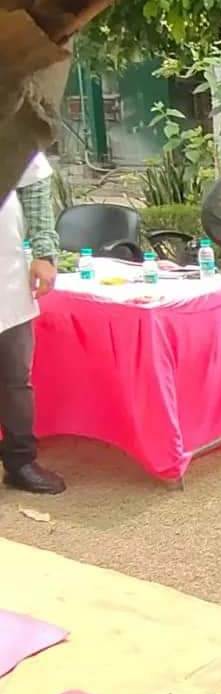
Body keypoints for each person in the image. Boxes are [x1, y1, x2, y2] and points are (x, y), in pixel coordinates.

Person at [0, 151, 64, 495]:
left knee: (14, 377)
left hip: (6, 274)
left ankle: (20, 461)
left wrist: (43, 252)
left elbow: (35, 183)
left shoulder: (11, 123)